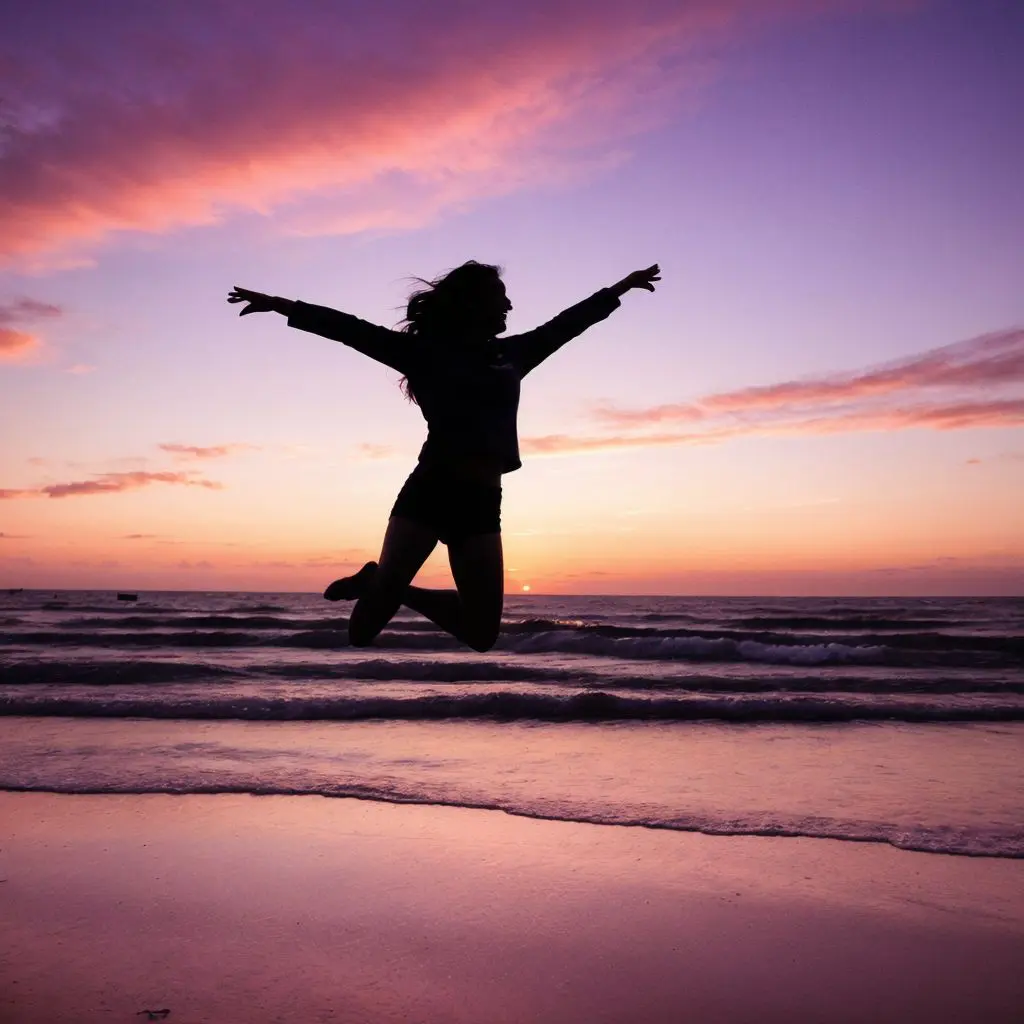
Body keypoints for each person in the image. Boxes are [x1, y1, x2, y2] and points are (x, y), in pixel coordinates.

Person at [228, 261, 660, 651]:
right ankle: (384, 585)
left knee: (482, 634)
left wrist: (622, 287)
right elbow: (349, 329)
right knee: (361, 634)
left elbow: (568, 324)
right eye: (499, 296)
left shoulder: (513, 353)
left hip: (483, 502)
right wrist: (280, 305)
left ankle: (384, 583)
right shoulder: (423, 353)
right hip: (431, 491)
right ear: (473, 303)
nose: (509, 303)